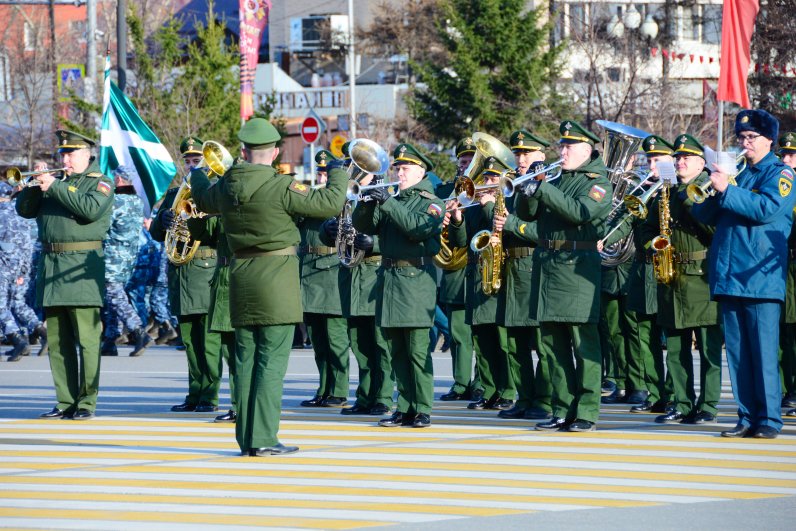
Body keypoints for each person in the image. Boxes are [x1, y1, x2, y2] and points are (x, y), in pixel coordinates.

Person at [190, 118, 346, 456]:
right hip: (276, 278)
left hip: (241, 276)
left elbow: (202, 199)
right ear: (275, 153)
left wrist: (197, 173)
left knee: (244, 361)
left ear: (243, 151)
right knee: (271, 363)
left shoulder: (228, 184)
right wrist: (337, 171)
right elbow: (329, 203)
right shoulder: (279, 185)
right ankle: (263, 438)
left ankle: (247, 438)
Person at [693, 110, 795, 439]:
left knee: (764, 352)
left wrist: (729, 190)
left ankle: (769, 420)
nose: (745, 143)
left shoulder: (781, 174)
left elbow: (766, 209)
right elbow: (705, 214)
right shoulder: (740, 174)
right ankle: (747, 416)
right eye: (741, 138)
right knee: (737, 354)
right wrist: (711, 187)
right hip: (730, 274)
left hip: (759, 278)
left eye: (751, 138)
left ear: (769, 140)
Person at [515, 120, 612, 432]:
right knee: (551, 345)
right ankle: (561, 408)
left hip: (576, 269)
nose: (562, 151)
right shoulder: (555, 178)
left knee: (584, 345)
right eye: (561, 145)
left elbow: (579, 212)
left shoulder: (597, 182)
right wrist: (529, 188)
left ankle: (586, 410)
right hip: (547, 268)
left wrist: (542, 187)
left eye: (569, 146)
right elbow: (528, 214)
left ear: (587, 149)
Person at [16, 130, 115, 420]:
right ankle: (65, 400)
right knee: (58, 341)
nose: (65, 159)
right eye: (62, 154)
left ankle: (86, 401)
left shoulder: (101, 183)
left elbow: (89, 210)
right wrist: (36, 185)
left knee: (87, 339)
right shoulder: (57, 183)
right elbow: (24, 210)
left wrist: (55, 186)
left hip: (81, 267)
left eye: (71, 154)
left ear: (87, 155)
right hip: (52, 265)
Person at [352, 143, 443, 428]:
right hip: (389, 281)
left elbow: (418, 228)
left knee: (417, 351)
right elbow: (364, 226)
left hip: (416, 281)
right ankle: (404, 407)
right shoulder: (394, 198)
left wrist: (387, 202)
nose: (399, 173)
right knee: (396, 350)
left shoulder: (432, 201)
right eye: (397, 168)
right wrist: (367, 200)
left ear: (420, 171)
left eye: (404, 168)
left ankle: (422, 407)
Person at [639, 133, 723, 425]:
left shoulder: (711, 190)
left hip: (702, 276)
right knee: (675, 347)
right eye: (677, 158)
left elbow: (717, 232)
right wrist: (654, 244)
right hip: (672, 277)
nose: (680, 162)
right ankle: (682, 402)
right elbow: (645, 230)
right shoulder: (667, 192)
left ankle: (709, 404)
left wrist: (691, 204)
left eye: (687, 157)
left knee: (709, 347)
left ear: (702, 163)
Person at [602, 135, 675, 414]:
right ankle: (654, 393)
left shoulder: (677, 190)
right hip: (643, 271)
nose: (652, 166)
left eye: (658, 160)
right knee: (644, 335)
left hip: (670, 270)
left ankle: (675, 395)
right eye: (650, 161)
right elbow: (626, 220)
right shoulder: (645, 190)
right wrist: (605, 239)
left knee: (672, 340)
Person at [150, 136, 222, 413]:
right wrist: (163, 220)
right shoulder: (173, 194)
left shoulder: (214, 191)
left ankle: (210, 395)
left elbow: (217, 231)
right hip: (180, 271)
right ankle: (194, 393)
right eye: (188, 162)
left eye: (197, 161)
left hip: (204, 269)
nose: (192, 166)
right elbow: (156, 234)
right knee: (189, 340)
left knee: (208, 339)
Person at [320, 151, 395, 416]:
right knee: (358, 342)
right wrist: (326, 232)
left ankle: (383, 396)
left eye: (361, 164)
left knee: (380, 343)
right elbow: (337, 227)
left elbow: (401, 235)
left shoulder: (386, 193)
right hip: (350, 276)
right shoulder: (347, 192)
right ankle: (365, 396)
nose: (356, 168)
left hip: (374, 276)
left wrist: (375, 244)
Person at [449, 158, 515, 412]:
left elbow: (501, 232)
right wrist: (457, 218)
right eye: (485, 179)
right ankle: (488, 391)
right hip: (477, 278)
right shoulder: (476, 206)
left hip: (498, 280)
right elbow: (461, 241)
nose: (486, 184)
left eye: (491, 180)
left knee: (502, 342)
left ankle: (507, 390)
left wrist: (488, 207)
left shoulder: (503, 205)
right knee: (482, 342)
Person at [498, 129, 552, 420]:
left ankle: (543, 400)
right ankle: (524, 397)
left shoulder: (548, 184)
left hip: (536, 267)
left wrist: (511, 225)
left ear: (541, 156)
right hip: (511, 270)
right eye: (518, 153)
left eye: (527, 153)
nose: (520, 158)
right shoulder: (510, 184)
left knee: (542, 342)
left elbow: (546, 232)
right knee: (514, 342)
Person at [298, 149, 351, 408]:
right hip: (308, 270)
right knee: (318, 338)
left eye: (326, 172)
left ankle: (339, 390)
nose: (321, 176)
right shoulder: (307, 196)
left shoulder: (341, 197)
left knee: (335, 337)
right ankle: (324, 388)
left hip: (331, 269)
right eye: (319, 172)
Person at [437, 137, 481, 402]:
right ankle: (461, 382)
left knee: (481, 334)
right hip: (455, 270)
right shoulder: (446, 191)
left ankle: (481, 383)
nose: (465, 166)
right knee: (457, 334)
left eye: (470, 161)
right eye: (463, 161)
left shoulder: (489, 190)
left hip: (479, 268)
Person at [100, 166, 151, 357]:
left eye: (114, 177)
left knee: (114, 297)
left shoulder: (115, 201)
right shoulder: (137, 201)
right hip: (129, 258)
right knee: (113, 297)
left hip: (113, 257)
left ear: (119, 179)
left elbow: (103, 226)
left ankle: (139, 332)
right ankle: (110, 340)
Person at [0, 181, 34, 361]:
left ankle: (17, 339)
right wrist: (23, 272)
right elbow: (26, 245)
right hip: (16, 267)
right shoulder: (18, 213)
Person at [779, 131, 796, 418]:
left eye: (792, 154)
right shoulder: (778, 185)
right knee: (782, 334)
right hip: (779, 267)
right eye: (784, 153)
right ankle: (785, 390)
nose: (786, 159)